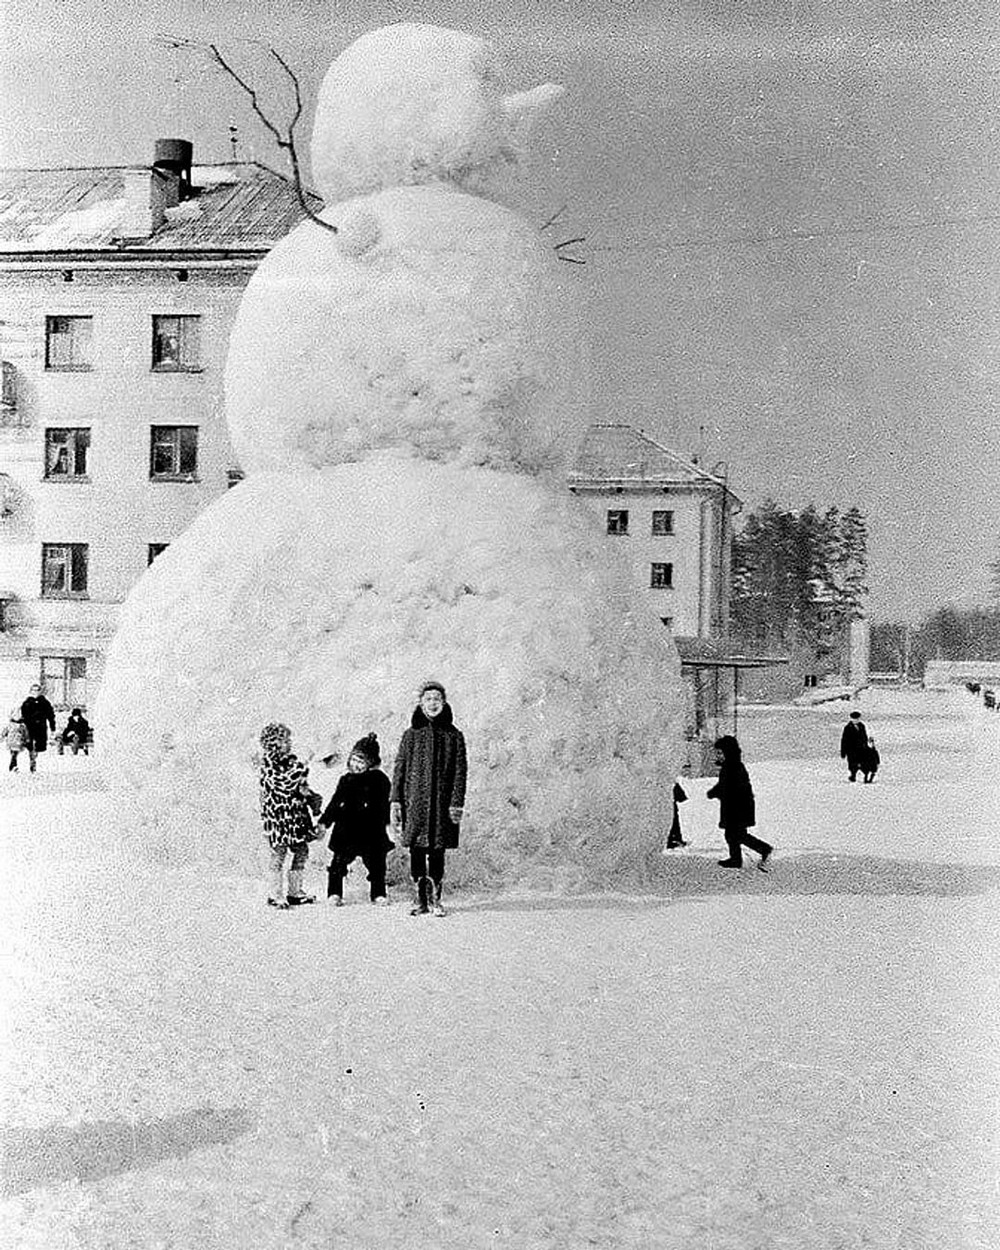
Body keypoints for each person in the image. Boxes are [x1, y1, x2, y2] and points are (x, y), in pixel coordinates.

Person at [391, 680, 467, 917]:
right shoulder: (411, 736)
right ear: (421, 704)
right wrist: (396, 799)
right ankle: (419, 898)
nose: (433, 703)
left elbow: (460, 772)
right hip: (415, 803)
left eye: (437, 699)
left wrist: (456, 802)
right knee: (416, 849)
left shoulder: (454, 736)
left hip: (442, 804)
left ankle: (435, 899)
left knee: (437, 850)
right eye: (428, 699)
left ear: (444, 703)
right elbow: (400, 768)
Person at [318, 733, 393, 906]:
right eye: (354, 760)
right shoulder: (346, 780)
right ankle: (334, 893)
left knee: (376, 864)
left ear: (371, 763)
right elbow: (335, 803)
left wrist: (389, 825)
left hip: (372, 829)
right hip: (347, 829)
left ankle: (378, 893)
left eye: (362, 761)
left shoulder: (381, 781)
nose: (356, 765)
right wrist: (324, 822)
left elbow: (385, 805)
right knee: (338, 863)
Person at [257, 722, 321, 909]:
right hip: (278, 818)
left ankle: (295, 892)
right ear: (274, 744)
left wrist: (308, 793)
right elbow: (283, 785)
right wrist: (300, 771)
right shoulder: (268, 765)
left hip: (295, 817)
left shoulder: (291, 762)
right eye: (285, 740)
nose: (289, 743)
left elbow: (300, 785)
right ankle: (275, 894)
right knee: (279, 853)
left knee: (302, 850)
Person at [707, 735, 772, 872]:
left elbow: (729, 787)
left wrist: (714, 792)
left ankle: (763, 849)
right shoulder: (732, 765)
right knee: (733, 834)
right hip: (737, 806)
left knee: (736, 834)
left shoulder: (732, 767)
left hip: (738, 807)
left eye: (720, 752)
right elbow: (724, 785)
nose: (718, 756)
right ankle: (735, 859)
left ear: (727, 752)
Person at [20, 683, 55, 774]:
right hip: (30, 727)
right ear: (31, 691)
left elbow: (50, 715)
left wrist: (52, 727)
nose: (35, 692)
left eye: (37, 690)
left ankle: (35, 756)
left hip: (41, 727)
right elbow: (23, 715)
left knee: (39, 744)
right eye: (34, 690)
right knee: (30, 744)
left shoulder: (45, 702)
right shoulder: (27, 702)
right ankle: (32, 758)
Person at [839, 709, 869, 782]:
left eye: (857, 718)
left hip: (861, 749)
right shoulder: (848, 728)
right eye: (854, 719)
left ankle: (865, 776)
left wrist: (866, 746)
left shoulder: (862, 726)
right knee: (852, 763)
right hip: (851, 749)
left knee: (863, 763)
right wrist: (843, 751)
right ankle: (853, 775)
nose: (856, 720)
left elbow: (864, 737)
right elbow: (844, 740)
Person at [665, 779, 688, 849]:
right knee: (673, 823)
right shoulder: (667, 779)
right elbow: (681, 798)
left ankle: (673, 839)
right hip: (669, 805)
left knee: (673, 823)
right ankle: (674, 839)